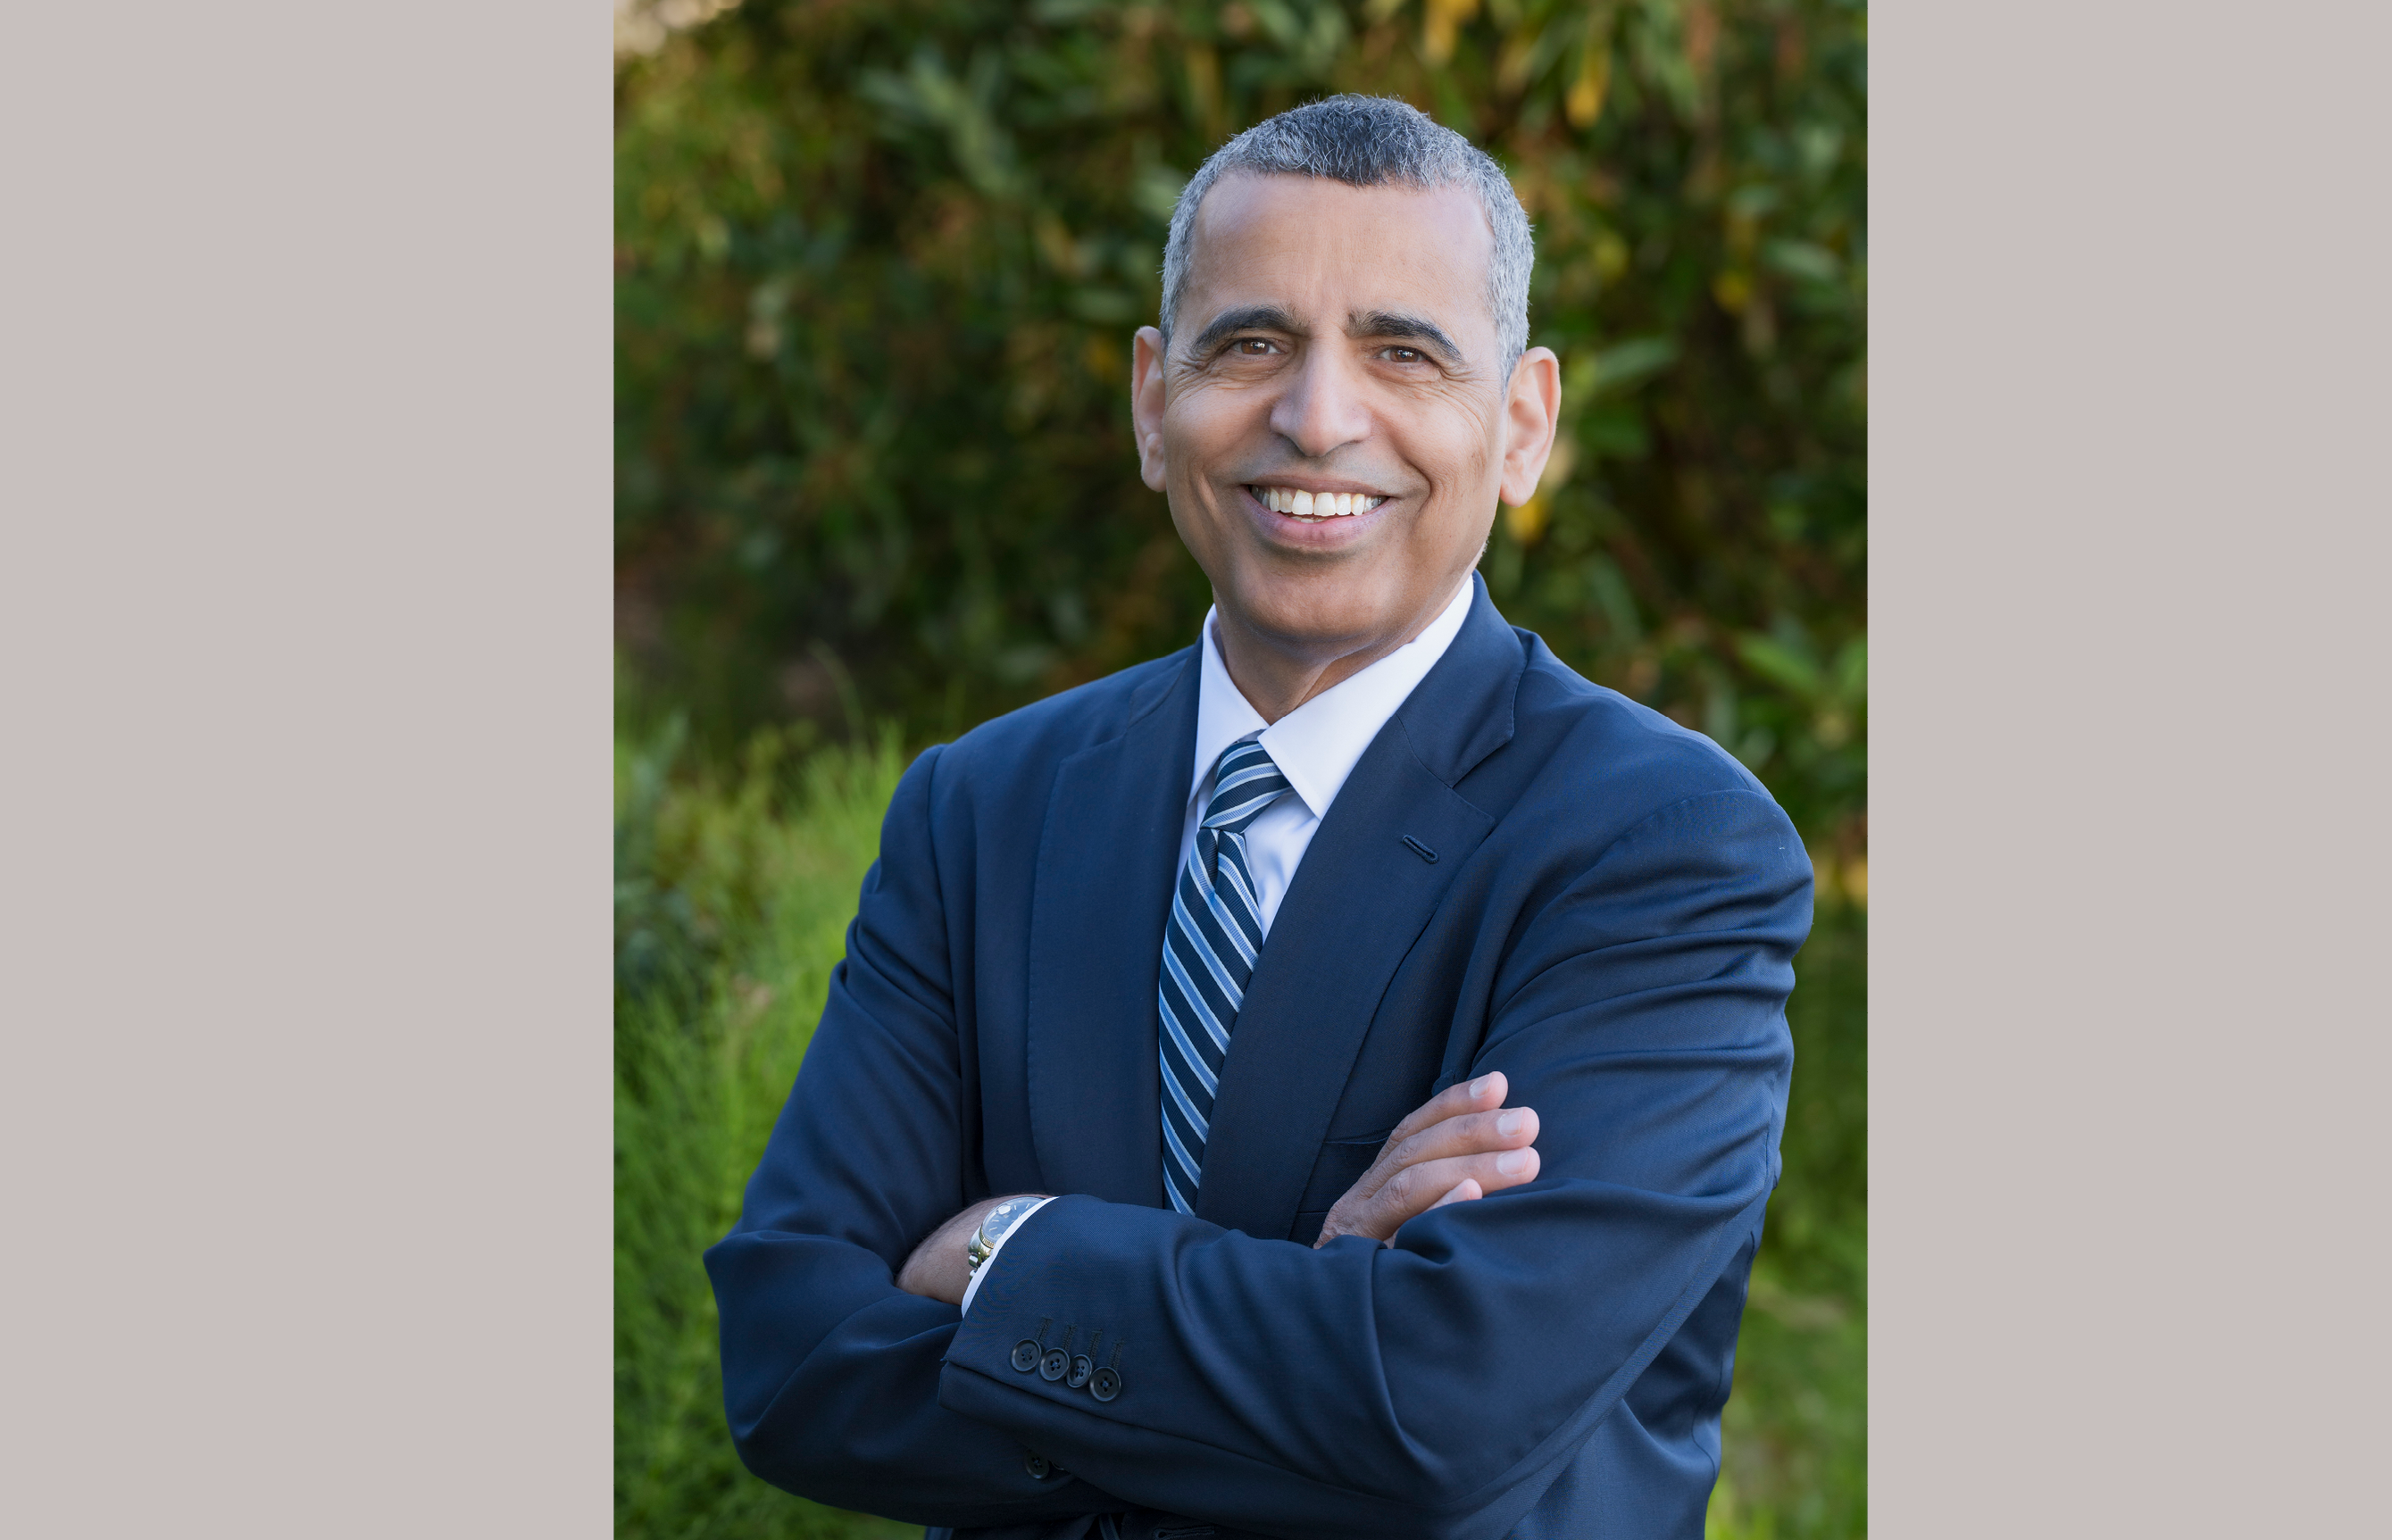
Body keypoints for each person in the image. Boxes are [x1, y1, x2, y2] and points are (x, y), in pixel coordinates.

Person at [704, 94, 1813, 1540]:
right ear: (1155, 403)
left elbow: (1440, 1405)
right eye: (1252, 344)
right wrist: (1308, 1308)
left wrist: (1008, 1247)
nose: (1317, 416)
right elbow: (791, 1359)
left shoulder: (1665, 850)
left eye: (1402, 350)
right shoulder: (981, 808)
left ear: (1525, 425)